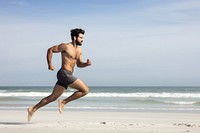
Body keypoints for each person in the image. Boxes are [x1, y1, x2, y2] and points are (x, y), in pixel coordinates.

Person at [27, 28, 92, 122]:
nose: (82, 39)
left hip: (68, 75)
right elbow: (50, 50)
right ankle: (63, 102)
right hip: (64, 73)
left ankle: (32, 109)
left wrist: (86, 64)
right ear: (75, 37)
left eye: (83, 38)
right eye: (81, 37)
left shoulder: (79, 50)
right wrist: (49, 64)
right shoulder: (65, 46)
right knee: (85, 90)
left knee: (53, 97)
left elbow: (79, 64)